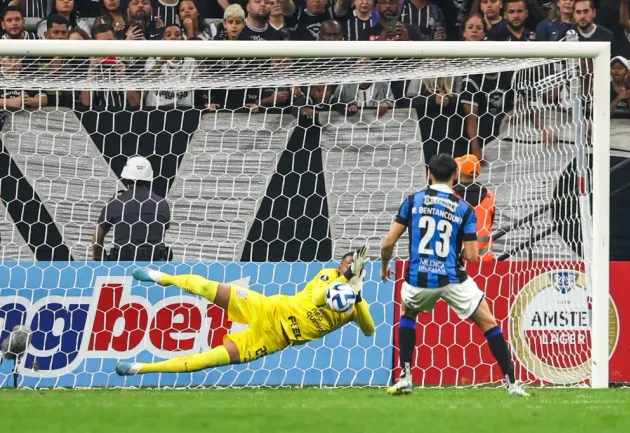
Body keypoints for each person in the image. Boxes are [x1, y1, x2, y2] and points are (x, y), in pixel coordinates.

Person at [380, 154, 527, 396]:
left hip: (419, 278)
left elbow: (387, 242)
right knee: (488, 322)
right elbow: (471, 256)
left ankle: (405, 376)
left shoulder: (412, 201)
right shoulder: (464, 209)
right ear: (455, 176)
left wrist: (385, 264)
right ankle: (513, 384)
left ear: (429, 173)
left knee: (408, 312)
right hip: (452, 278)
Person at [115, 248, 374, 375]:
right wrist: (346, 278)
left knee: (210, 359)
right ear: (340, 265)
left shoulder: (353, 306)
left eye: (354, 266)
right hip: (269, 308)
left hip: (274, 340)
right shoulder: (329, 276)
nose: (349, 267)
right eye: (347, 263)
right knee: (207, 286)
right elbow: (319, 297)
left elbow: (369, 329)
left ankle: (140, 368)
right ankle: (162, 277)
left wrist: (358, 295)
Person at [92, 156, 172, 262]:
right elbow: (162, 229)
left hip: (122, 266)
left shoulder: (115, 203)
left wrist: (99, 259)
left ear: (126, 177)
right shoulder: (162, 204)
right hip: (156, 266)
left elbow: (97, 240)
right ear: (149, 178)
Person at [453, 154, 495, 260]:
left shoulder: (451, 195)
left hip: (458, 258)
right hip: (485, 258)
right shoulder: (490, 195)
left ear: (458, 172)